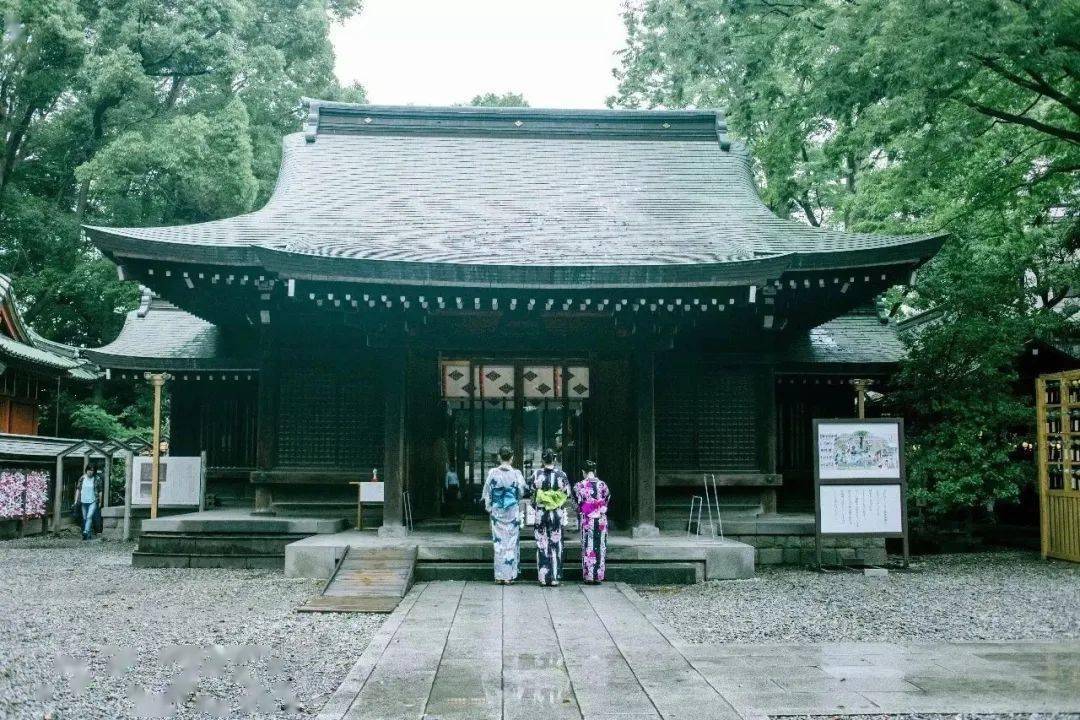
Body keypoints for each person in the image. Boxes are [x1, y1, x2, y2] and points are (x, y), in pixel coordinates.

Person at [481, 446, 526, 585]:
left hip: (497, 510)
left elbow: (487, 492)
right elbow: (521, 492)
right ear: (512, 458)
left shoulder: (493, 472)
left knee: (499, 543)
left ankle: (499, 575)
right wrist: (514, 501)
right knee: (511, 542)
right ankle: (509, 576)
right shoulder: (517, 473)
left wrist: (490, 507)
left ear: (499, 457)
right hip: (511, 510)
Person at [526, 448, 570, 587]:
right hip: (556, 513)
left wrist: (538, 504)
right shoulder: (561, 474)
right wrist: (555, 502)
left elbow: (531, 494)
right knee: (556, 543)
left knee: (542, 543)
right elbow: (566, 494)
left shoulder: (536, 474)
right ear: (554, 459)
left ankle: (543, 577)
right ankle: (555, 576)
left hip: (541, 513)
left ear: (543, 460)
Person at [573, 460, 610, 584]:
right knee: (600, 545)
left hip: (587, 518)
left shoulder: (579, 485)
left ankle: (589, 576)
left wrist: (583, 508)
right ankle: (598, 575)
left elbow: (577, 504)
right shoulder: (603, 485)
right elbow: (607, 499)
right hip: (600, 518)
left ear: (583, 472)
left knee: (588, 545)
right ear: (594, 471)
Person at [73, 467, 103, 541]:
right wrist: (76, 500)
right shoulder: (82, 478)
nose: (90, 472)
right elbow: (78, 489)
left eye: (92, 470)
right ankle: (88, 534)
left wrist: (100, 501)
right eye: (89, 470)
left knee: (89, 516)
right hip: (83, 501)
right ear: (86, 470)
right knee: (85, 517)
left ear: (94, 471)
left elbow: (100, 491)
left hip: (93, 500)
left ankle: (85, 531)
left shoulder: (97, 479)